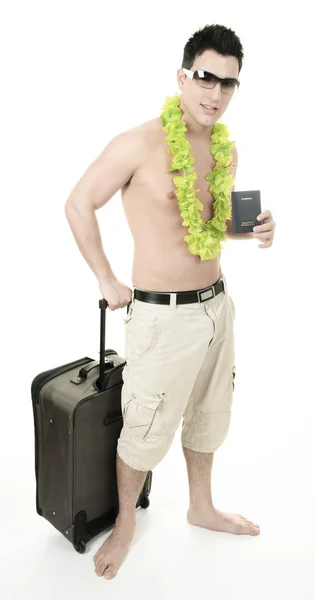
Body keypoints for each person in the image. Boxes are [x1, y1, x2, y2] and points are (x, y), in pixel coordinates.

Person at [65, 23, 276, 580]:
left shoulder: (226, 148)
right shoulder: (139, 142)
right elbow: (79, 203)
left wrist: (254, 229)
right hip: (163, 316)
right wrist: (107, 278)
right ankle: (128, 522)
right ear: (182, 76)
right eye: (206, 77)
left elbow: (208, 226)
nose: (216, 93)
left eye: (228, 84)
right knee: (144, 426)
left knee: (210, 415)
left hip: (217, 307)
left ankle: (200, 506)